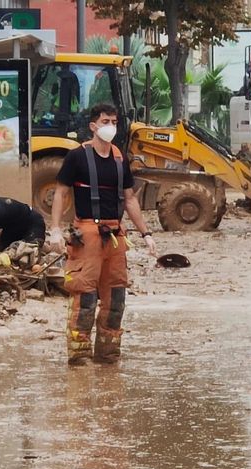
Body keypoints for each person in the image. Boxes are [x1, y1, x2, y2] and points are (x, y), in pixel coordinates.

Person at [47, 103, 158, 365]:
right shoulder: (77, 156)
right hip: (87, 233)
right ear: (93, 126)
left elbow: (129, 200)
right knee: (85, 296)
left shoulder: (120, 159)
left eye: (114, 121)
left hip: (115, 235)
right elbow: (61, 192)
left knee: (116, 297)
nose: (111, 126)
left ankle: (108, 355)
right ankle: (79, 355)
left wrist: (146, 234)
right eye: (105, 121)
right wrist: (54, 229)